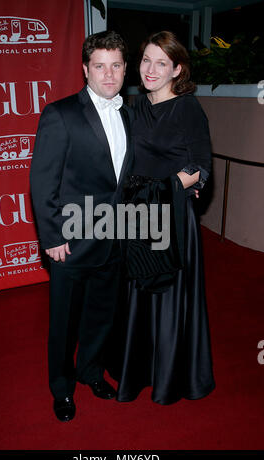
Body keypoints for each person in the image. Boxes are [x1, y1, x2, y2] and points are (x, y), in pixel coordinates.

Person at [30, 31, 133, 422]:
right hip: (71, 242)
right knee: (64, 322)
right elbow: (43, 180)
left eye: (116, 66)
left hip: (115, 237)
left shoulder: (128, 112)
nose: (109, 75)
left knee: (101, 315)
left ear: (125, 69)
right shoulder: (60, 114)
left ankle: (91, 371)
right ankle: (62, 388)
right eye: (100, 66)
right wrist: (52, 236)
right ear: (85, 69)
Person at [114, 31, 216, 405]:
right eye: (146, 60)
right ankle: (135, 369)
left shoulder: (187, 108)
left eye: (161, 62)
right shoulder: (131, 106)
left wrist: (165, 187)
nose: (151, 69)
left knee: (169, 297)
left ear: (177, 69)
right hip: (134, 213)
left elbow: (201, 166)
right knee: (136, 293)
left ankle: (170, 375)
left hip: (170, 215)